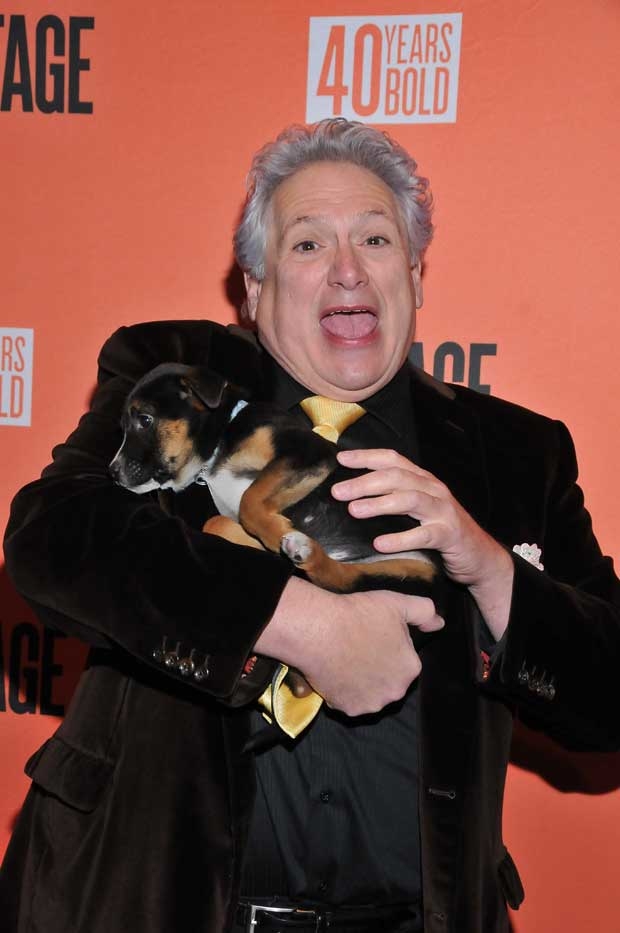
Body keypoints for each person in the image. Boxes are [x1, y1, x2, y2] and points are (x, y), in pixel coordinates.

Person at [1, 118, 619, 933]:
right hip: (154, 902)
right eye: (306, 245)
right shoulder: (178, 379)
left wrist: (489, 566)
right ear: (254, 289)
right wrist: (297, 622)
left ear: (416, 274)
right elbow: (54, 536)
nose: (347, 270)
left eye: (375, 238)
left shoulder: (515, 453)